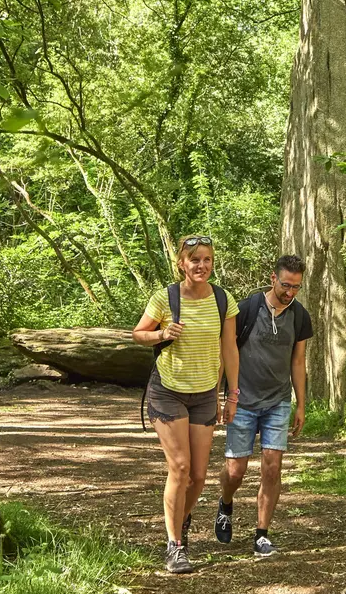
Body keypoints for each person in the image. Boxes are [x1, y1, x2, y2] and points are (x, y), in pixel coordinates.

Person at [132, 235, 239, 575]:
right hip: (168, 391)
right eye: (194, 260)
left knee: (197, 476)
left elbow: (230, 350)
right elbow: (138, 334)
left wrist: (231, 394)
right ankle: (175, 545)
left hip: (205, 393)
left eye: (206, 259)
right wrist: (161, 334)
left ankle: (180, 517)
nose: (201, 266)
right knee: (179, 467)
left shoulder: (223, 300)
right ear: (182, 263)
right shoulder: (166, 298)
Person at [215, 254, 312, 560]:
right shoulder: (247, 308)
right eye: (286, 284)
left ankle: (261, 534)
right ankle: (225, 505)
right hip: (242, 400)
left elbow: (298, 362)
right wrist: (222, 395)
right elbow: (226, 351)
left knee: (272, 467)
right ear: (273, 278)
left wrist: (300, 404)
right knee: (236, 470)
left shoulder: (299, 316)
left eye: (296, 286)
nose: (290, 292)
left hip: (278, 402)